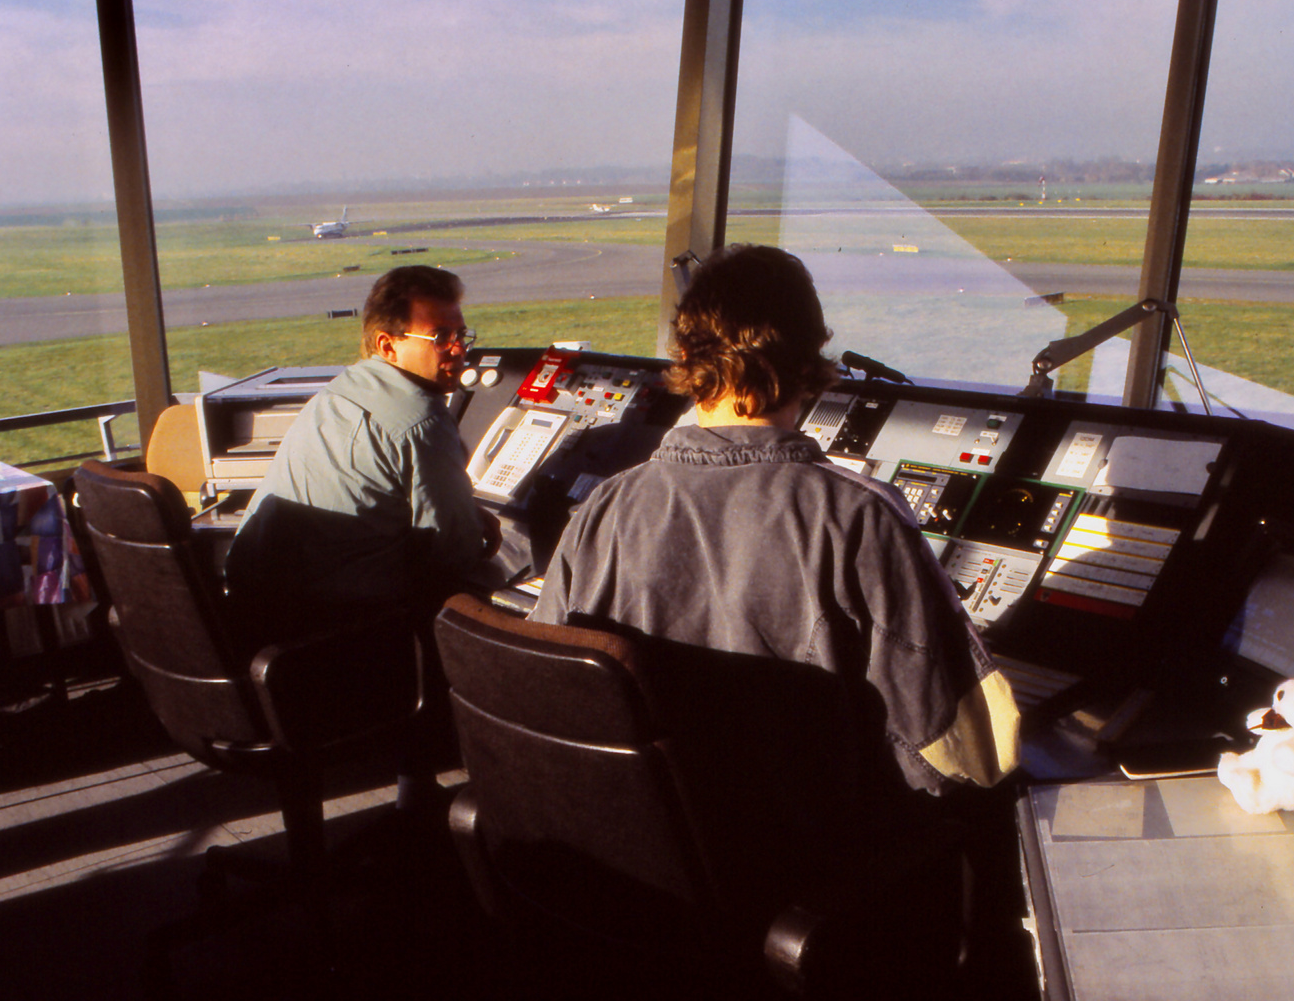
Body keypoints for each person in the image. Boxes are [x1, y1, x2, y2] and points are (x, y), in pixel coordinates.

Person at [530, 244, 1019, 795]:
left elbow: (550, 689)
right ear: (806, 363)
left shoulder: (603, 508)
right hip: (800, 855)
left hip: (646, 840)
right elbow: (961, 754)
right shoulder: (860, 515)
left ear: (689, 359)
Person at [226, 264, 501, 637]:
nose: (457, 349)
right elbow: (453, 553)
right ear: (388, 345)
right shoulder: (422, 420)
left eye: (460, 334)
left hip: (253, 606)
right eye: (439, 336)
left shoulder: (344, 387)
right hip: (335, 629)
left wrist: (462, 513)